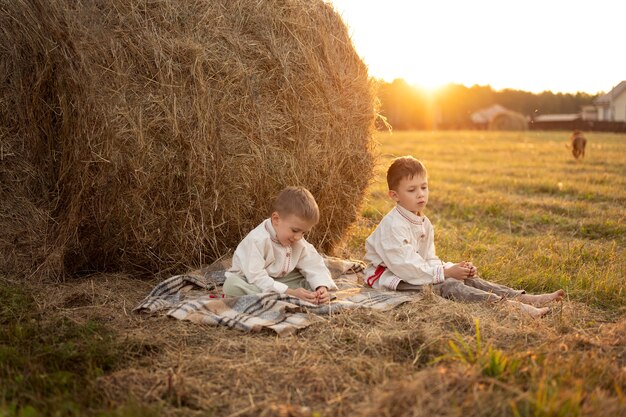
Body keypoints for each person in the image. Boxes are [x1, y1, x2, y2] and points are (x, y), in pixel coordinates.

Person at [363, 156, 564, 318]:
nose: (420, 194)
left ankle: (524, 298)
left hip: (416, 270)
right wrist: (446, 273)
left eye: (424, 187)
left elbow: (428, 258)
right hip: (392, 275)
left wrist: (453, 268)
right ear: (394, 196)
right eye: (412, 190)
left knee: (468, 278)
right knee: (448, 284)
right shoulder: (392, 226)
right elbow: (405, 266)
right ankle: (508, 307)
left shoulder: (423, 222)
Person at [223, 186, 337, 304]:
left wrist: (321, 287)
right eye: (295, 230)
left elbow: (313, 263)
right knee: (232, 286)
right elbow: (256, 277)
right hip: (250, 279)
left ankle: (305, 295)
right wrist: (291, 292)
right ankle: (287, 296)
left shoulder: (297, 240)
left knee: (310, 279)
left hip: (281, 279)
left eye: (303, 232)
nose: (298, 237)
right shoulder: (257, 240)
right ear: (276, 219)